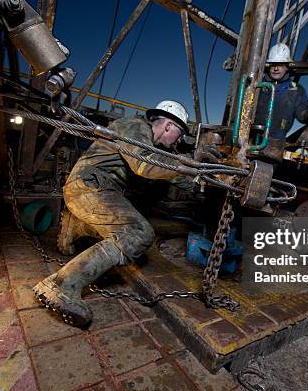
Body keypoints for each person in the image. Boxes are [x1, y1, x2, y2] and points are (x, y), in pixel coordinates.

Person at [33, 100, 196, 327]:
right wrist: (195, 174)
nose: (179, 141)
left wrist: (202, 183)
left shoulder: (141, 136)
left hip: (90, 189)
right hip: (90, 190)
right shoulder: (136, 127)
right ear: (168, 126)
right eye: (180, 133)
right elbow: (146, 166)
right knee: (138, 233)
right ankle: (62, 285)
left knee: (136, 206)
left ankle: (77, 226)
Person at [253, 43, 308, 162]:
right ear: (268, 66)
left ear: (287, 67)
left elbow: (302, 116)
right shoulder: (257, 85)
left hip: (276, 143)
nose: (276, 69)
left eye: (280, 65)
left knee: (266, 171)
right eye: (273, 65)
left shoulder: (296, 90)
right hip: (250, 137)